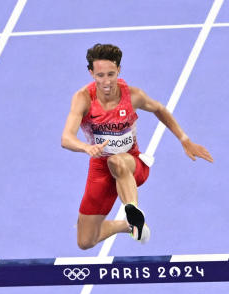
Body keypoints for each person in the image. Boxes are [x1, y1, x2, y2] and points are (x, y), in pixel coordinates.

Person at [61, 43, 214, 250]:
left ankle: (132, 210)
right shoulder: (83, 99)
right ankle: (129, 226)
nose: (106, 81)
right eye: (100, 76)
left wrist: (184, 139)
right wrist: (85, 147)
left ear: (119, 71)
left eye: (111, 74)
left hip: (132, 165)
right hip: (99, 168)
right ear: (91, 73)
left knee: (117, 160)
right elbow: (66, 138)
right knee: (85, 241)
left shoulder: (133, 95)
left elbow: (159, 109)